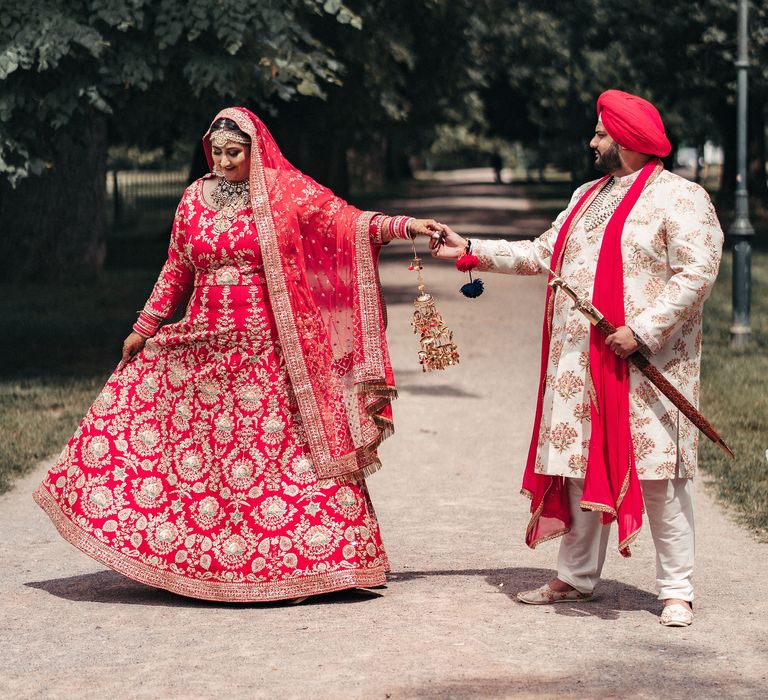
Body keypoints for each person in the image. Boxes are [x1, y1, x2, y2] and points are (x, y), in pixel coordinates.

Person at [34, 107, 443, 603]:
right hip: (206, 343)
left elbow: (349, 222)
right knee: (205, 455)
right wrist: (144, 326)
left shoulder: (283, 193)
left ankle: (312, 564)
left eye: (234, 153)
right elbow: (176, 269)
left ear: (255, 150)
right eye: (217, 153)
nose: (224, 163)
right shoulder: (193, 200)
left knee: (281, 457)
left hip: (271, 349)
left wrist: (406, 226)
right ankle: (200, 558)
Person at [431, 90, 723, 627]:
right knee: (578, 467)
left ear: (628, 138)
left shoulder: (680, 199)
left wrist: (643, 329)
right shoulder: (588, 195)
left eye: (601, 133)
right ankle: (576, 578)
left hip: (643, 365)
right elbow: (544, 254)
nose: (592, 142)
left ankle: (676, 590)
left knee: (658, 476)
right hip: (578, 362)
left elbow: (696, 272)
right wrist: (469, 246)